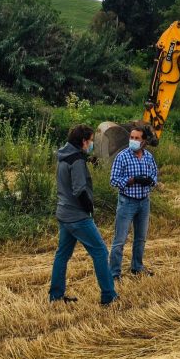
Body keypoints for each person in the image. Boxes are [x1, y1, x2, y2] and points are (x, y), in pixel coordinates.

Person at [49, 124, 118, 305]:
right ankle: (109, 296)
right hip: (77, 216)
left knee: (62, 255)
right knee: (101, 252)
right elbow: (79, 190)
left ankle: (55, 296)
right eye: (90, 141)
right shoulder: (77, 160)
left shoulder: (64, 156)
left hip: (63, 212)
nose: (91, 144)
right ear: (83, 141)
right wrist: (89, 208)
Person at [109, 125, 158, 280]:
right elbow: (113, 180)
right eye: (132, 137)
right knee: (120, 240)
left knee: (140, 238)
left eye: (137, 138)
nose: (133, 140)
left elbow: (155, 175)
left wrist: (150, 181)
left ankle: (137, 267)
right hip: (127, 202)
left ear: (144, 141)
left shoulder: (149, 157)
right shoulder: (122, 157)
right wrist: (132, 180)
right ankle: (114, 273)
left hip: (144, 201)